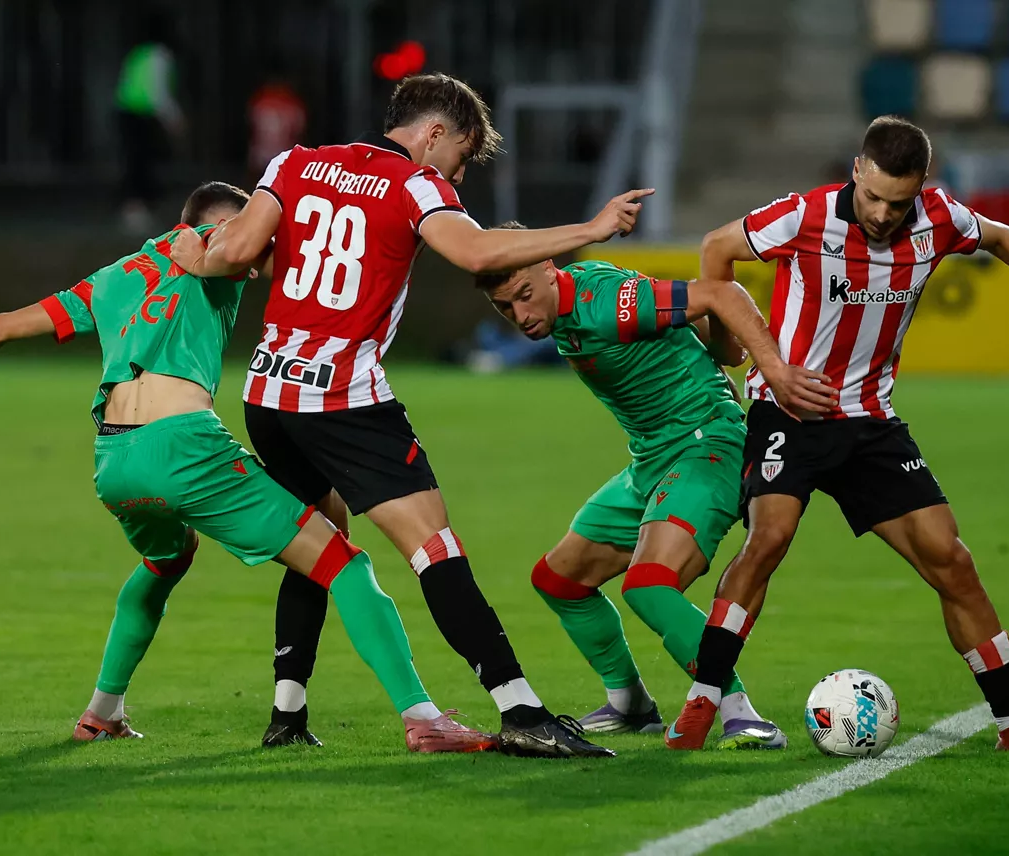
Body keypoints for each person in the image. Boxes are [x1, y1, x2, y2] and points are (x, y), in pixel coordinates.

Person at [0, 182, 495, 755]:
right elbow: (287, 266)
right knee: (343, 561)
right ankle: (423, 718)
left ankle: (101, 712)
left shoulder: (113, 276)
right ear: (222, 225)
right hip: (184, 448)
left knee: (167, 558)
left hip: (114, 460)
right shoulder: (217, 248)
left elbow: (0, 327)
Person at [170, 72, 653, 758]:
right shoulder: (416, 184)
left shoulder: (294, 163)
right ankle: (521, 711)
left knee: (318, 545)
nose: (459, 173)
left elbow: (239, 252)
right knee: (435, 549)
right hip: (341, 397)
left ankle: (287, 713)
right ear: (434, 133)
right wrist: (592, 228)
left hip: (268, 395)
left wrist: (197, 254)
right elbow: (476, 251)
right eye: (461, 156)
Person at [664, 116, 1009, 754]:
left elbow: (1001, 238)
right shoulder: (805, 215)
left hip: (870, 422)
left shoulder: (938, 217)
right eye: (874, 197)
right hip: (789, 414)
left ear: (920, 186)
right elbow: (716, 247)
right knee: (768, 537)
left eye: (899, 202)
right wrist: (746, 353)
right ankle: (703, 702)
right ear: (857, 172)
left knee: (954, 561)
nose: (884, 214)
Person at [472, 223, 835, 748]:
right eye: (505, 307)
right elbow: (694, 316)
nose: (521, 315)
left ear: (548, 267)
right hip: (652, 460)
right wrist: (724, 345)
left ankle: (740, 713)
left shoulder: (606, 304)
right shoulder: (570, 302)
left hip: (705, 444)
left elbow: (720, 292)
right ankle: (629, 703)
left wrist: (772, 369)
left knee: (648, 584)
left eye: (525, 295)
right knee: (560, 579)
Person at [114, 15, 186, 234]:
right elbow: (159, 93)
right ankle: (135, 211)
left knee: (135, 161)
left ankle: (136, 209)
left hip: (126, 111)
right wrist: (174, 119)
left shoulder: (138, 53)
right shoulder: (160, 56)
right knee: (140, 162)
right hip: (141, 114)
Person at [248, 65, 308, 186]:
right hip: (285, 155)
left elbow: (252, 124)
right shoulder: (292, 102)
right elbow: (299, 129)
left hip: (261, 155)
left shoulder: (259, 99)